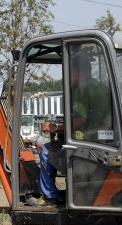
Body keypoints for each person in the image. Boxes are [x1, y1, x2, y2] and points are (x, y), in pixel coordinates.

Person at [31, 51, 111, 207]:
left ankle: (50, 195)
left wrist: (55, 128)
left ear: (77, 71)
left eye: (72, 73)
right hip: (103, 139)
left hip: (84, 141)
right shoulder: (101, 87)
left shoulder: (82, 89)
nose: (71, 78)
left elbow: (80, 121)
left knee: (46, 151)